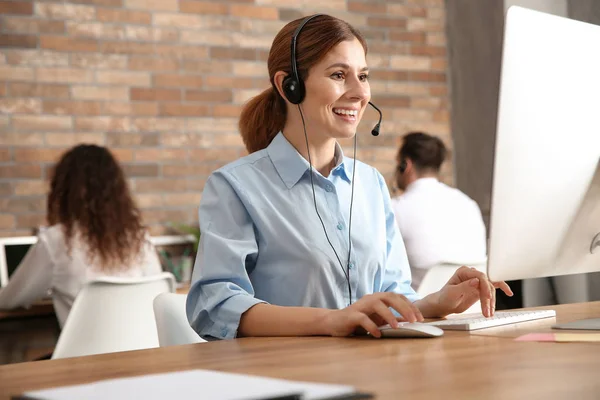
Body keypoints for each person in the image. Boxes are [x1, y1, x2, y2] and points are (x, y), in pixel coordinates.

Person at [187, 14, 512, 341]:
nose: (360, 93)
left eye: (364, 75)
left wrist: (433, 302)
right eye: (339, 75)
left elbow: (390, 294)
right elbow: (214, 305)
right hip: (286, 374)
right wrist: (330, 321)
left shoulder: (370, 183)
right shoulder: (236, 186)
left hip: (373, 366)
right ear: (289, 86)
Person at [0, 144, 163, 328]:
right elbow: (159, 293)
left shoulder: (55, 241)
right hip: (140, 352)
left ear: (64, 190)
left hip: (82, 356)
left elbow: (8, 300)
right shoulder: (139, 238)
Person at [391, 132, 488, 290]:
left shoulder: (394, 209)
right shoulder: (468, 204)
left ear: (405, 165)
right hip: (474, 307)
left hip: (424, 310)